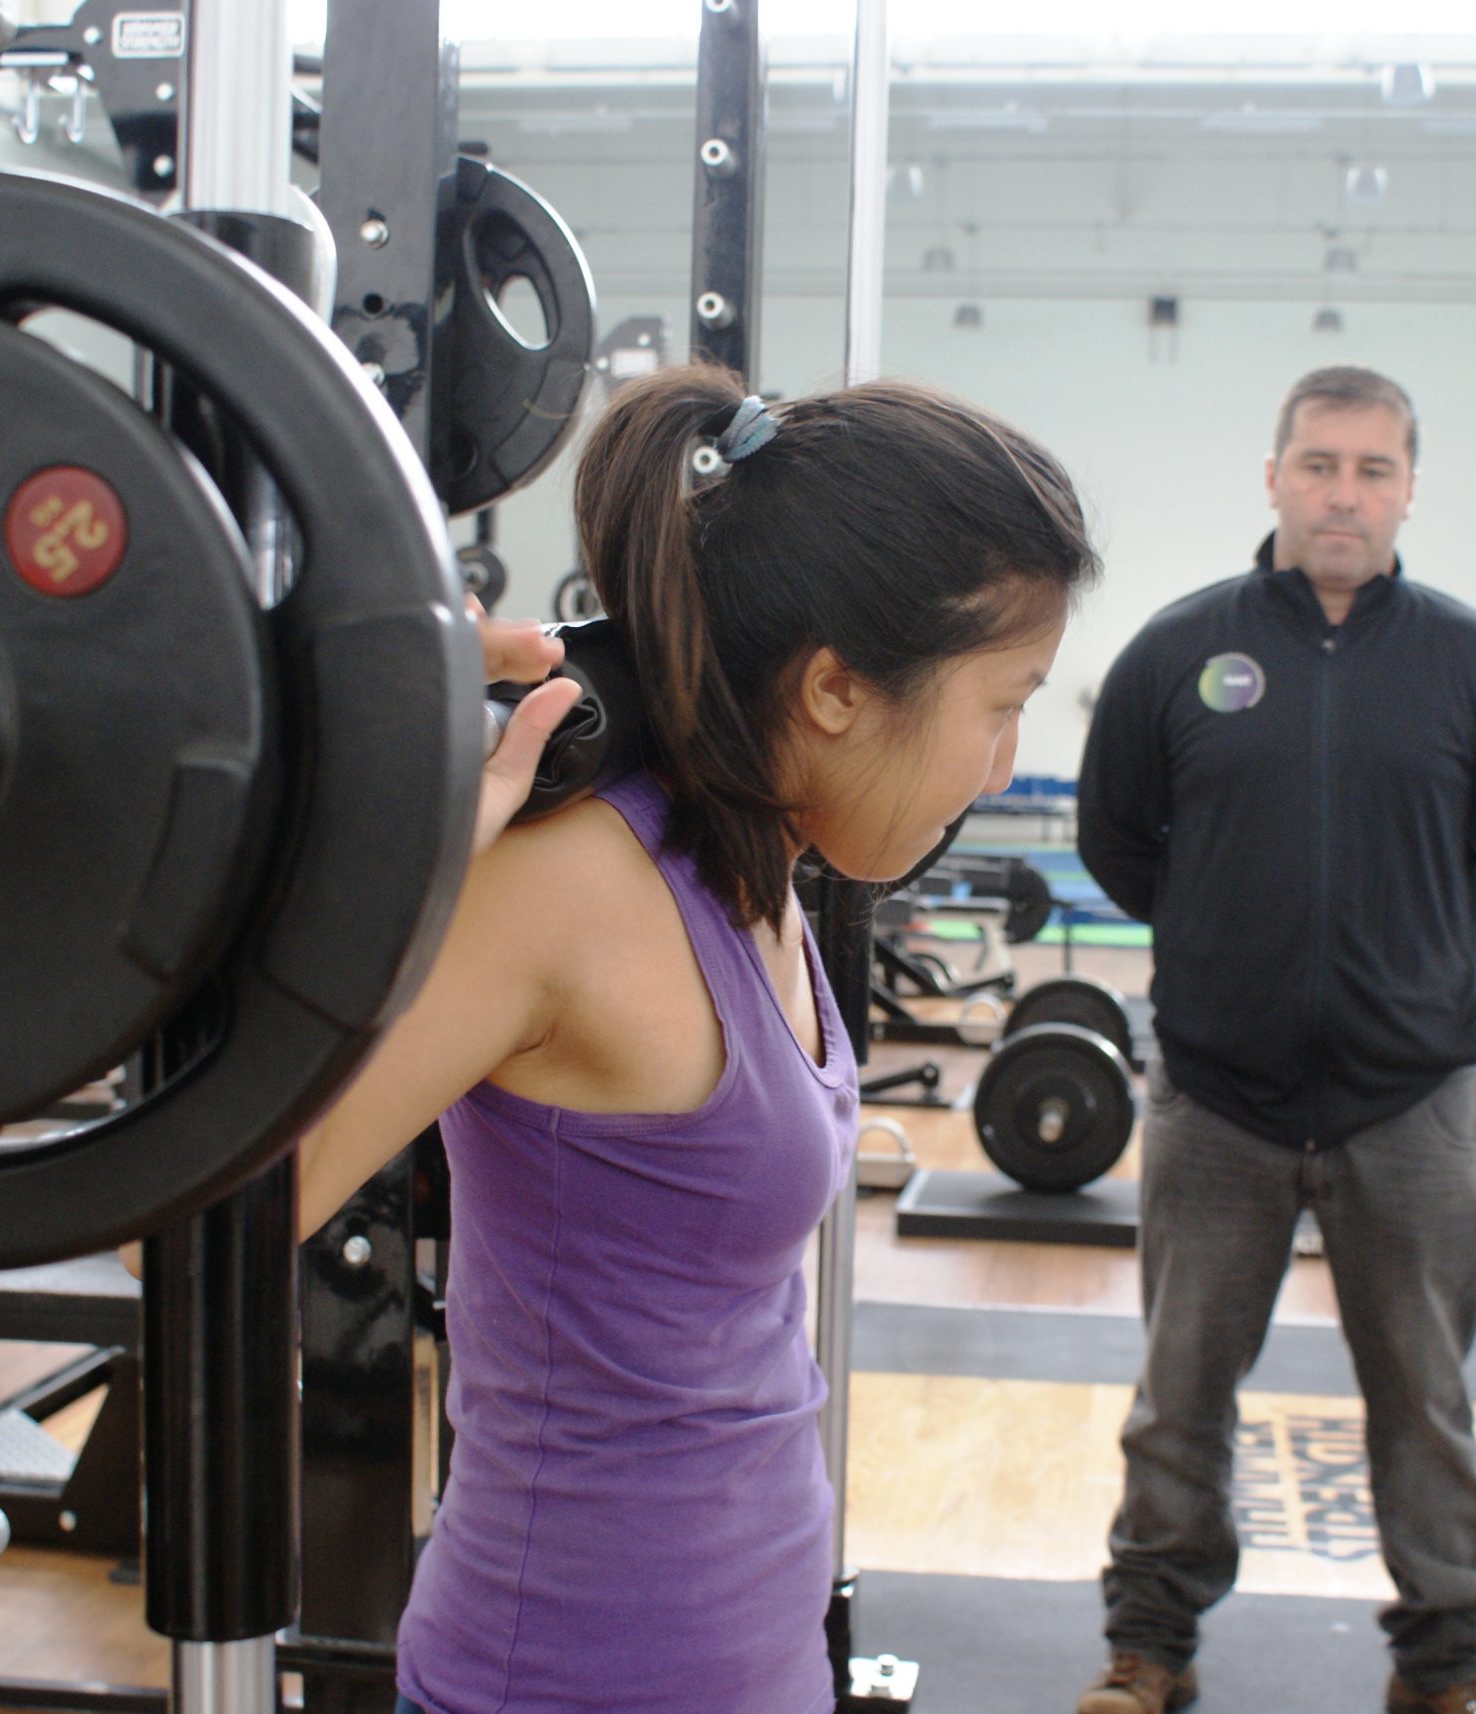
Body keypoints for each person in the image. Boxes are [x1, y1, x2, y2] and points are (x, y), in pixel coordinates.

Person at [291, 365, 1099, 1714]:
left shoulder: (752, 863)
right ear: (838, 688)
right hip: (570, 1672)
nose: (1004, 762)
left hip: (746, 1642)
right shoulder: (571, 888)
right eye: (1001, 701)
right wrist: (366, 892)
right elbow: (218, 1216)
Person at [1074, 366, 1476, 1714]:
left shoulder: (1474, 662)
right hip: (1216, 1091)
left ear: (1410, 485)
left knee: (1424, 1400)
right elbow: (1116, 837)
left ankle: (1447, 1666)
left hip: (1407, 1097)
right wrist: (1222, 933)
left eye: (1371, 468)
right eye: (1319, 463)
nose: (1343, 491)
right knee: (1179, 1396)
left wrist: (1416, 944)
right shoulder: (1181, 649)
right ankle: (1150, 1647)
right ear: (1274, 474)